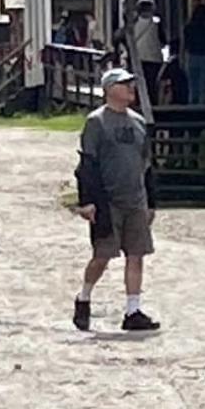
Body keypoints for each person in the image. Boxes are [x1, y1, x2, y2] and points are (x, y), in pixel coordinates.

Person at [72, 69, 159, 332]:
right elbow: (87, 164)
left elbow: (147, 165)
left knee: (137, 253)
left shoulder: (139, 122)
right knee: (102, 256)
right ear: (110, 89)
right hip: (107, 200)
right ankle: (84, 297)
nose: (131, 88)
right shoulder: (96, 122)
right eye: (124, 84)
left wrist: (151, 202)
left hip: (135, 199)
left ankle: (133, 310)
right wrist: (87, 201)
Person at [127, 0, 165, 104]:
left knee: (139, 83)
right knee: (152, 83)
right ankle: (152, 104)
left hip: (137, 58)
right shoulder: (157, 23)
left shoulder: (133, 23)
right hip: (154, 57)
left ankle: (139, 102)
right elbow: (163, 40)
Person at [182, 4, 205, 105]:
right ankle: (202, 104)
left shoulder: (188, 28)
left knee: (192, 84)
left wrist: (182, 57)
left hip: (191, 56)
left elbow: (184, 44)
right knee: (204, 84)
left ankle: (192, 101)